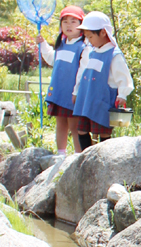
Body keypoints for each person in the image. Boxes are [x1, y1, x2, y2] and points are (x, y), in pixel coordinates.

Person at [72, 11, 134, 151]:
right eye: (86, 37)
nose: (88, 40)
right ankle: (86, 157)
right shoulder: (91, 52)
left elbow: (124, 78)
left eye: (90, 36)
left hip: (102, 101)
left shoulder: (113, 55)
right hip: (86, 99)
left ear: (103, 33)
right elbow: (82, 73)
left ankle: (103, 158)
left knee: (103, 132)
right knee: (82, 130)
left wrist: (122, 94)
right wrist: (76, 91)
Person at [36, 6, 86, 155]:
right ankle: (61, 154)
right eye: (65, 22)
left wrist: (77, 91)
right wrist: (43, 45)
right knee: (60, 124)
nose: (69, 25)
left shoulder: (83, 47)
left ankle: (78, 156)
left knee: (74, 125)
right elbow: (52, 59)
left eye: (73, 21)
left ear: (81, 25)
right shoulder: (61, 45)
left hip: (73, 94)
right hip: (59, 91)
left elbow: (82, 72)